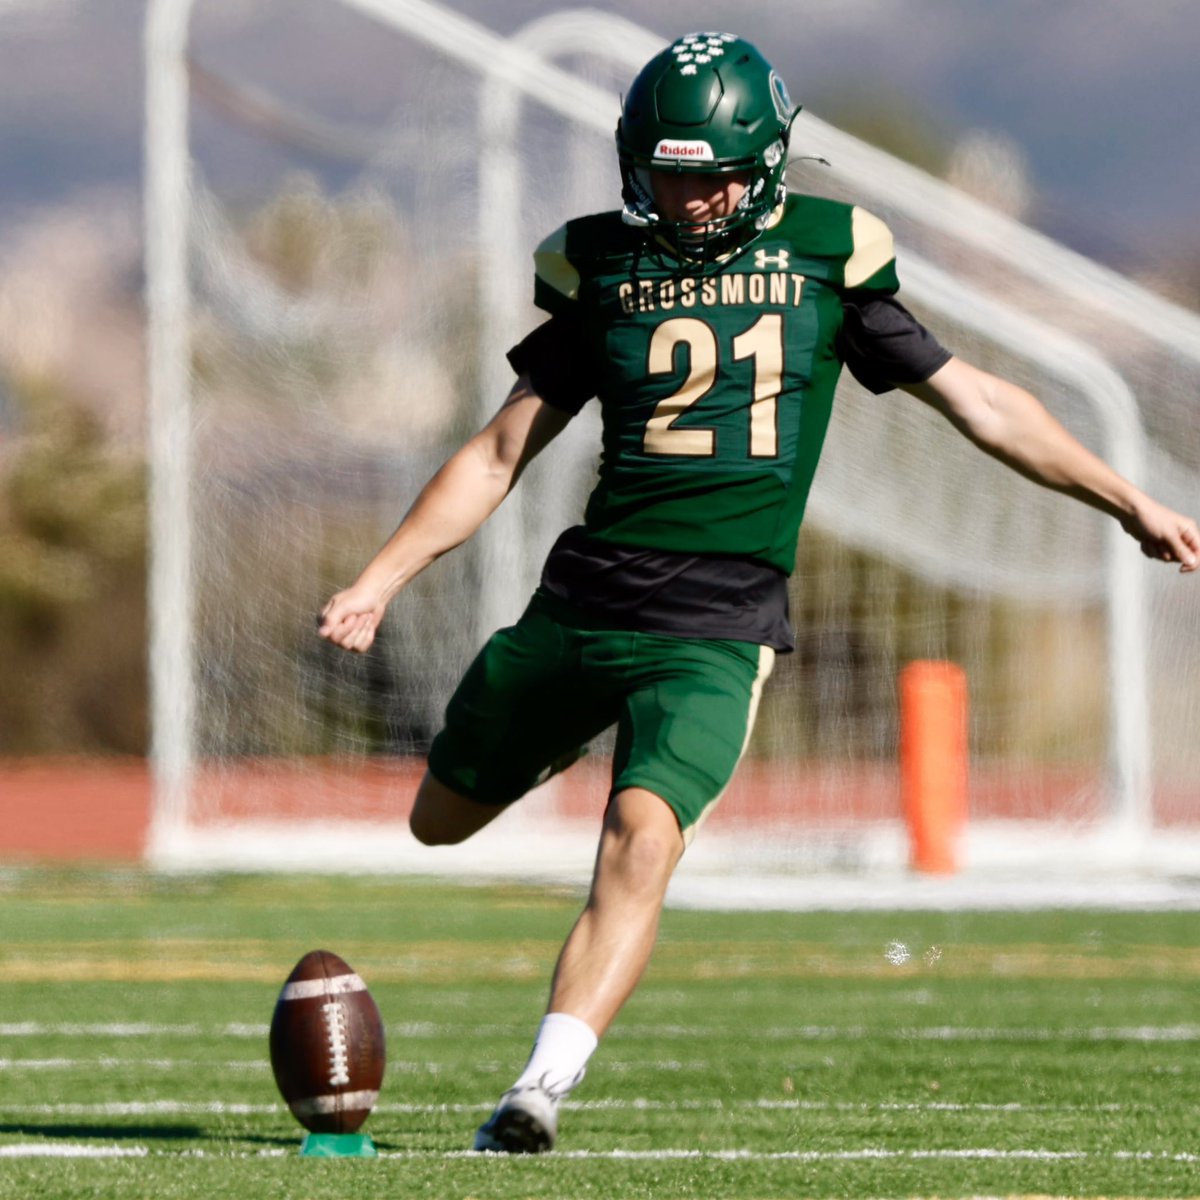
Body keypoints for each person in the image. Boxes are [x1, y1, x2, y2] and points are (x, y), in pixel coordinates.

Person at [318, 33, 1199, 1153]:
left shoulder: (829, 261)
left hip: (718, 625)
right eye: (676, 172)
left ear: (771, 163)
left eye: (719, 174)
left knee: (641, 836)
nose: (696, 198)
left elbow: (977, 400)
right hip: (584, 601)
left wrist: (1124, 496)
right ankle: (555, 743)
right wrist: (378, 580)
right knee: (438, 823)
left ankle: (537, 1091)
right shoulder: (602, 268)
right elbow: (499, 454)